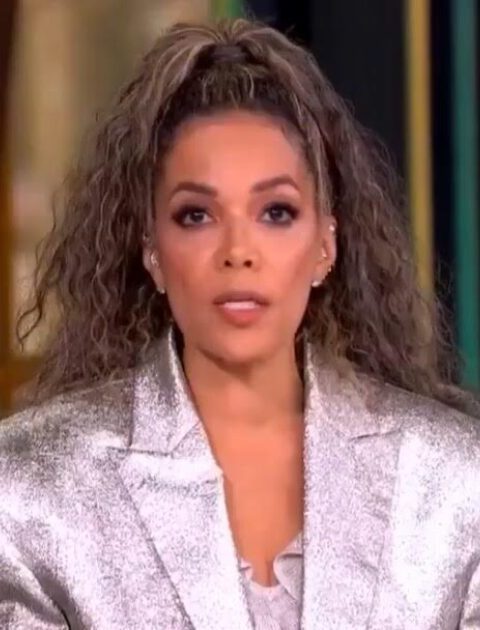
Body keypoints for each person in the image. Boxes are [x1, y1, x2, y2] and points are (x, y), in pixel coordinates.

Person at [0, 17, 479, 630]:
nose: (238, 252)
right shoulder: (31, 488)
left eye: (276, 212)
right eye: (196, 215)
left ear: (326, 245)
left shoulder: (454, 482)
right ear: (152, 250)